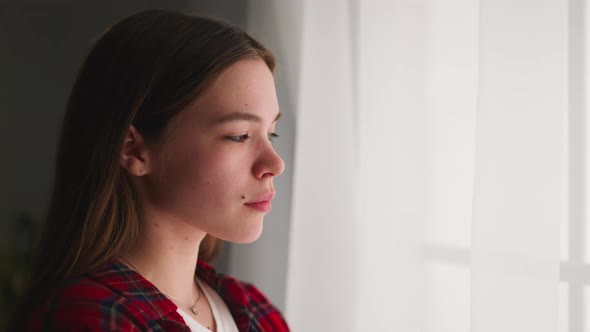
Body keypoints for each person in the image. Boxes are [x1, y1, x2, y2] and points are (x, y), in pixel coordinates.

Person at [8, 9, 289, 332]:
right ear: (133, 149)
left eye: (272, 134)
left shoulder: (258, 313)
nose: (275, 164)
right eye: (239, 136)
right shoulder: (90, 319)